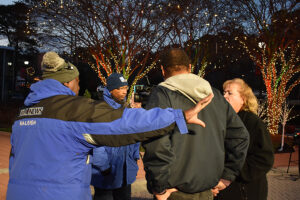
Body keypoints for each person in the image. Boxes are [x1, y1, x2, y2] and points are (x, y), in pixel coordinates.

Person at [6, 51, 213, 200]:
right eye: (77, 81)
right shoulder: (74, 110)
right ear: (68, 82)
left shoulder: (23, 114)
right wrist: (177, 116)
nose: (79, 86)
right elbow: (126, 124)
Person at [142, 48, 249, 200]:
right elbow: (240, 136)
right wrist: (228, 176)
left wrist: (158, 188)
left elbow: (156, 143)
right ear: (190, 67)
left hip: (173, 192)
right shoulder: (215, 95)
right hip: (206, 191)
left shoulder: (161, 95)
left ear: (162, 70)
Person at [215, 78, 274, 200]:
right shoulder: (221, 121)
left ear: (243, 99)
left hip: (246, 191)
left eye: (230, 93)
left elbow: (264, 159)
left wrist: (231, 174)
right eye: (224, 92)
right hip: (222, 190)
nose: (224, 96)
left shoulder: (253, 123)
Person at [91, 73, 140, 200]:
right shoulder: (100, 111)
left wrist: (134, 156)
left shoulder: (126, 110)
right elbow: (96, 141)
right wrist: (104, 166)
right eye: (120, 88)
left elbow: (134, 136)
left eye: (125, 88)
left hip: (125, 172)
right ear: (111, 89)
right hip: (105, 174)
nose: (124, 92)